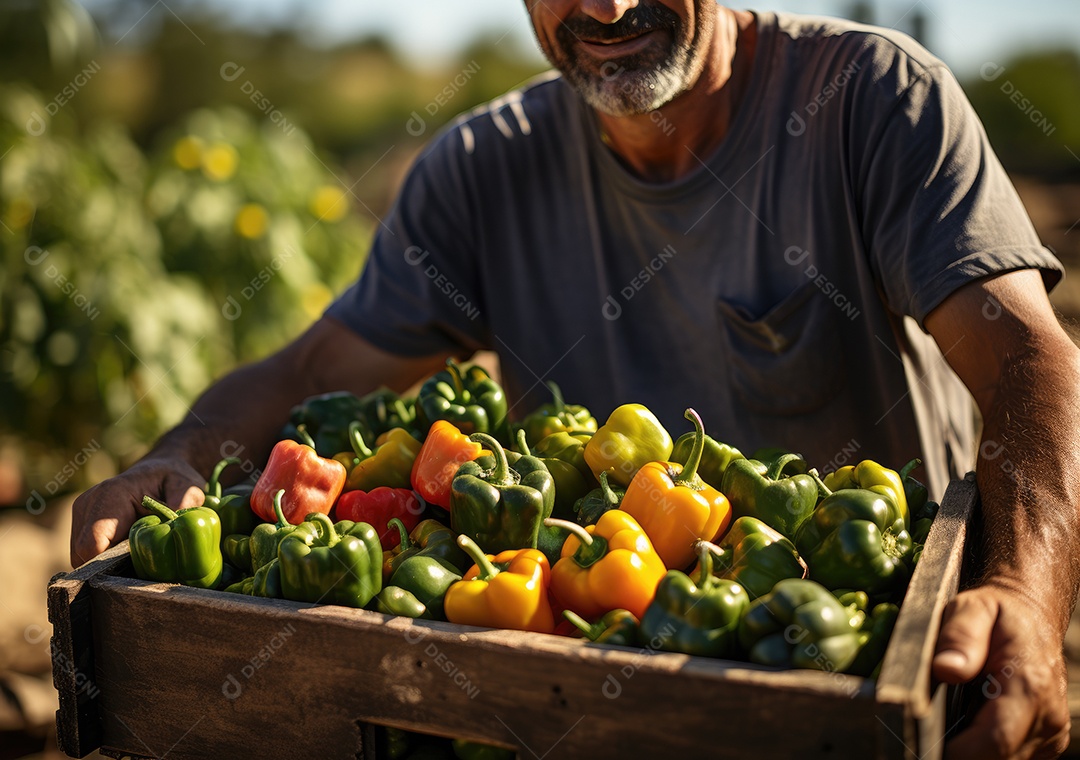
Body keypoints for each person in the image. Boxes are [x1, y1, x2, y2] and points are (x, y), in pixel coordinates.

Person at [73, 1, 1079, 756]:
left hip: (869, 660)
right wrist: (181, 453)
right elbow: (315, 367)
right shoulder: (480, 172)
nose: (601, 9)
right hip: (590, 689)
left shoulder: (871, 100)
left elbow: (1031, 358)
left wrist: (1024, 592)